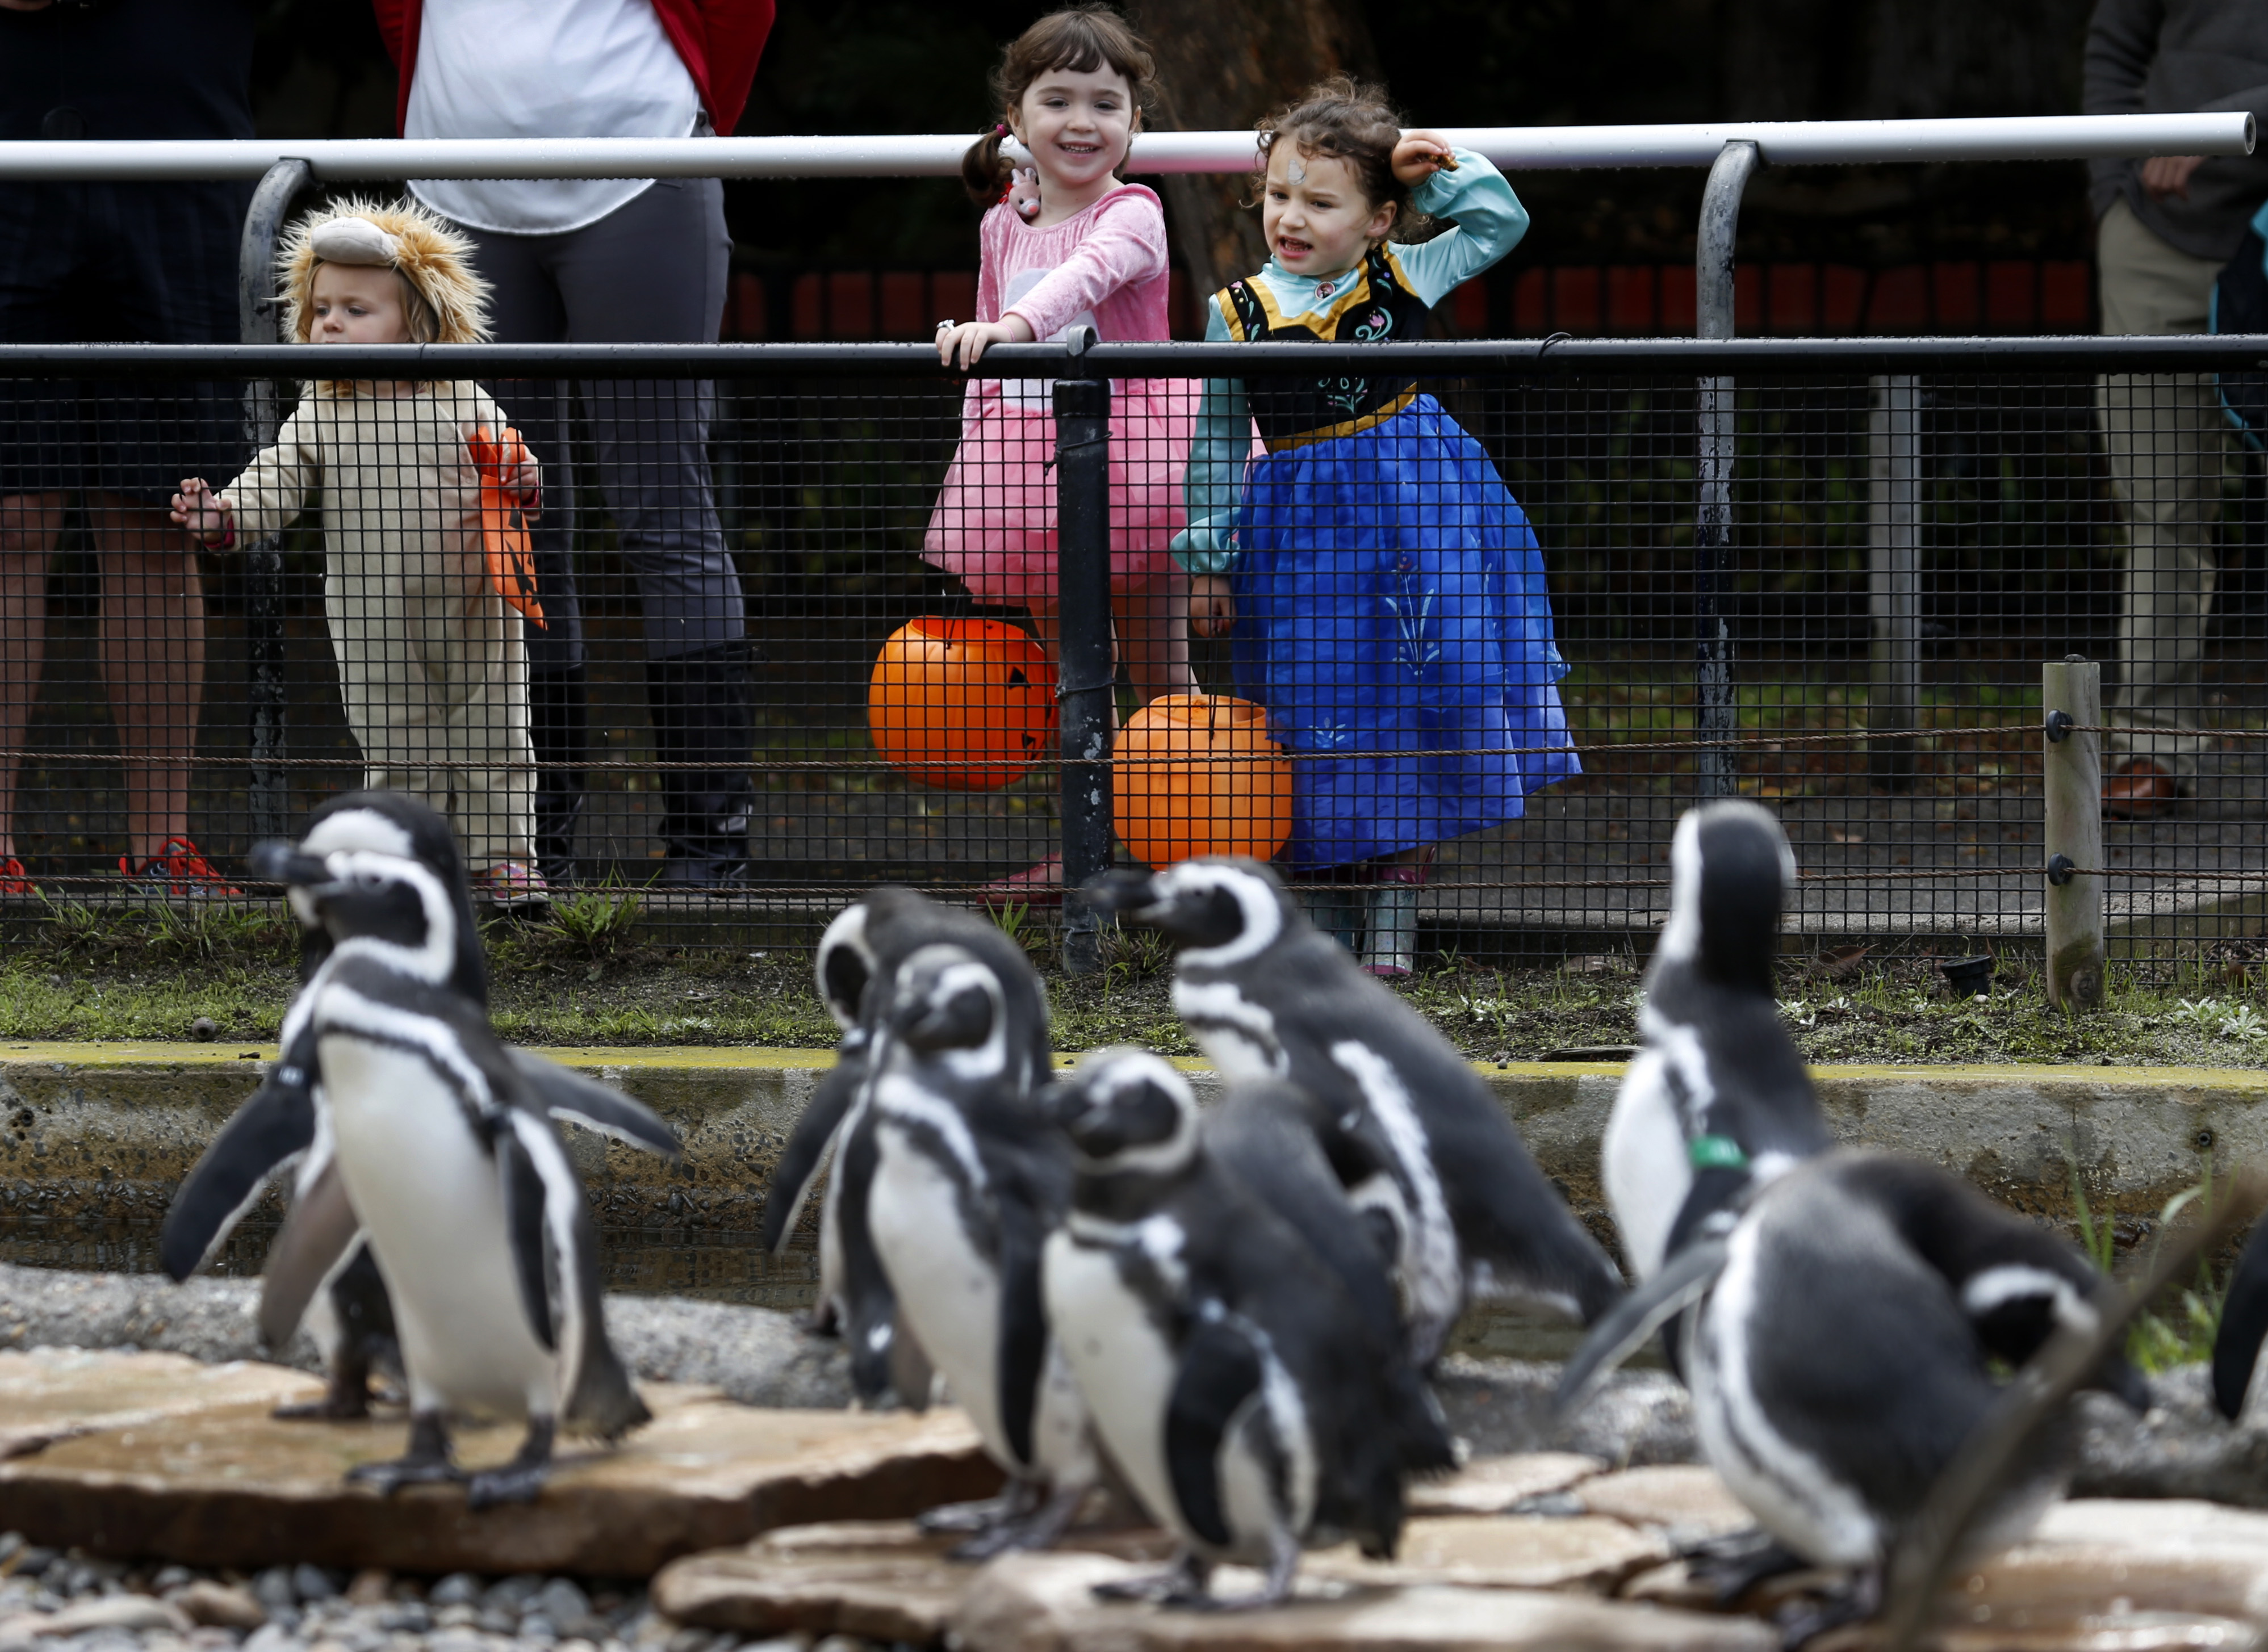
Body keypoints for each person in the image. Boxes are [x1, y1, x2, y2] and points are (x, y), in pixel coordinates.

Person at [1174, 78, 1579, 977]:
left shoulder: (1401, 271)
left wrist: (1425, 170)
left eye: (1321, 201)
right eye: (1279, 193)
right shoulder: (1235, 313)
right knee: (1311, 698)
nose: (1291, 215)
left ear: (1377, 220)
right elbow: (1212, 442)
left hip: (1413, 516)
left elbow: (1496, 223)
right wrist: (1208, 559)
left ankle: (1394, 906)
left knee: (1405, 686)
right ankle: (1321, 920)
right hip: (1299, 535)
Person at [373, 0, 775, 888]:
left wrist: (693, 119)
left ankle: (708, 848)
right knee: (502, 522)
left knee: (661, 508)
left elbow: (739, 13)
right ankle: (524, 842)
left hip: (640, 174)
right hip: (454, 194)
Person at [170, 200, 549, 906]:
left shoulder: (459, 394)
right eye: (320, 310)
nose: (331, 323)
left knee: (495, 734)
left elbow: (513, 464)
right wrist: (223, 517)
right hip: (371, 615)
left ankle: (503, 860)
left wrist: (525, 478)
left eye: (355, 308)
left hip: (479, 604)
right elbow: (274, 482)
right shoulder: (320, 407)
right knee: (395, 740)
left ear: (420, 318)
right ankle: (413, 861)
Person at [927, 5, 1195, 896]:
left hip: (1139, 462)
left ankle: (1186, 848)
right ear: (1017, 118)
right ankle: (1087, 846)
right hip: (1028, 475)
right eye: (1058, 99)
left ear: (1135, 123)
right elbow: (989, 371)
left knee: (1162, 673)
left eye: (1106, 103)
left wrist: (1009, 325)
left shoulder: (1136, 213)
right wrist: (979, 460)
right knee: (1072, 673)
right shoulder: (1004, 221)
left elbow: (1086, 277)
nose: (1082, 122)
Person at [0, 0, 256, 898]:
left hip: (177, 162)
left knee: (159, 515)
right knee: (9, 520)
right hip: (9, 167)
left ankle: (161, 850)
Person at [2085, 0, 2268, 817]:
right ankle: (2153, 746)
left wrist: (2239, 121)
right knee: (2159, 494)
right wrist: (2111, 189)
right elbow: (2113, 48)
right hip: (2159, 233)